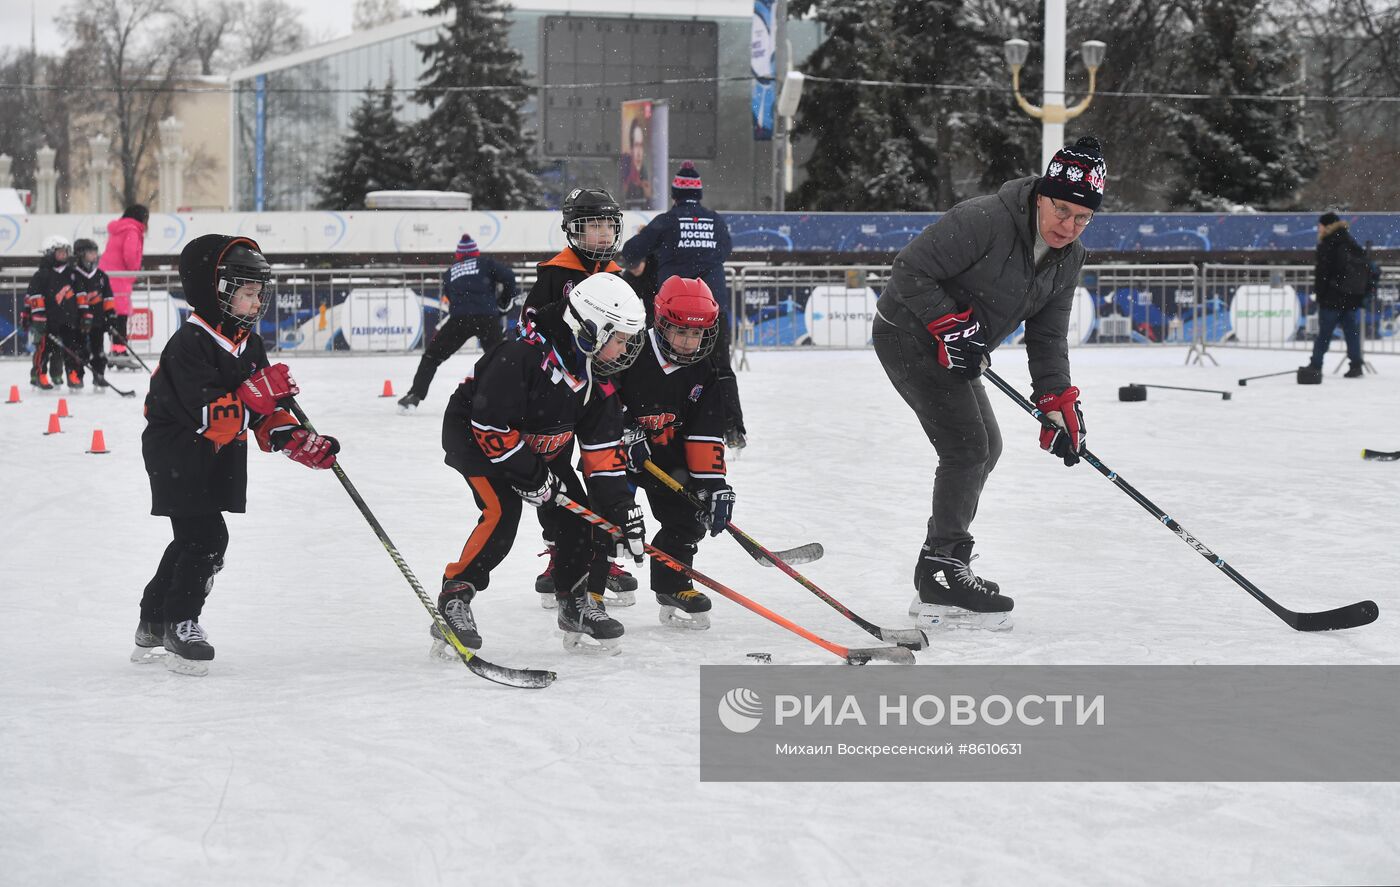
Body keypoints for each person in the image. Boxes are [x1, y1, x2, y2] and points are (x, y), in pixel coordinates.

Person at [872, 135, 1107, 632]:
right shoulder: (984, 220)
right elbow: (909, 271)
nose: (1069, 226)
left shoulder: (1070, 257)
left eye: (1082, 218)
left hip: (960, 348)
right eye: (1062, 210)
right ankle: (940, 568)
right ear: (1042, 194)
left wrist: (1055, 401)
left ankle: (942, 563)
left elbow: (1047, 336)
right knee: (966, 445)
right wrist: (949, 324)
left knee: (988, 445)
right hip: (906, 334)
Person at [134, 234, 340, 676]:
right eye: (247, 292)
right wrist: (254, 397)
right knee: (206, 540)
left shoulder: (250, 343)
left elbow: (265, 414)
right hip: (179, 451)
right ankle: (179, 622)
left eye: (259, 292)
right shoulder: (189, 343)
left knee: (191, 540)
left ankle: (153, 620)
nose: (256, 300)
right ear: (217, 294)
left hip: (220, 455)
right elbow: (214, 415)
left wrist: (298, 440)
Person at [433, 272, 647, 656]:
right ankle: (456, 595)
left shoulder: (596, 374)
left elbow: (601, 454)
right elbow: (490, 426)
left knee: (579, 515)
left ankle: (574, 602)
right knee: (503, 511)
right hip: (478, 440)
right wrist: (532, 478)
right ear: (591, 329)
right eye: (620, 339)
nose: (626, 350)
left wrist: (621, 509)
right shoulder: (521, 356)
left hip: (541, 448)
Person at [523, 187, 640, 604]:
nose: (602, 235)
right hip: (559, 395)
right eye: (592, 227)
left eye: (608, 226)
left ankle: (603, 554)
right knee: (555, 478)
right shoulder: (554, 274)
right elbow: (530, 327)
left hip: (603, 394)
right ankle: (560, 551)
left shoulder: (618, 276)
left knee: (606, 474)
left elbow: (629, 341)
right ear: (573, 230)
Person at [617, 276, 735, 630]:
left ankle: (673, 585)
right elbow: (600, 397)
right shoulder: (629, 350)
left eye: (697, 334)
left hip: (665, 456)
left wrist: (714, 483)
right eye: (680, 332)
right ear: (660, 323)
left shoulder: (704, 369)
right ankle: (589, 587)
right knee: (607, 516)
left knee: (688, 515)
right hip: (617, 453)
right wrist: (621, 430)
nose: (689, 343)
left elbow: (705, 430)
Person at [619, 162, 746, 448]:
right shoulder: (715, 221)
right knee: (720, 368)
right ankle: (733, 428)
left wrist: (656, 251)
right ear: (699, 195)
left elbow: (630, 252)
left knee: (662, 367)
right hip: (711, 310)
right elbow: (725, 250)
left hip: (673, 312)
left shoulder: (666, 221)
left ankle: (662, 420)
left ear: (674, 194)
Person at [398, 234, 518, 411]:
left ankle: (414, 395)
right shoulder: (485, 263)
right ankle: (513, 397)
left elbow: (450, 296)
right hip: (486, 318)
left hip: (460, 319)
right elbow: (509, 276)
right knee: (499, 360)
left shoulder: (450, 272)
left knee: (431, 357)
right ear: (475, 253)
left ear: (458, 255)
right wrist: (503, 302)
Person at [1304, 212, 1368, 379]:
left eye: (1320, 225)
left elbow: (1324, 272)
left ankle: (1315, 364)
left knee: (1324, 333)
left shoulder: (1329, 243)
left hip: (1332, 296)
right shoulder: (1350, 241)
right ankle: (1356, 365)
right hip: (1351, 295)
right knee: (1351, 332)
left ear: (1327, 226)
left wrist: (1321, 294)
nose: (1318, 228)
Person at [22, 235, 75, 390]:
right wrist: (33, 317)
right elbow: (32, 296)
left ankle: (56, 374)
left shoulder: (69, 273)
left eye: (65, 252)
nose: (63, 255)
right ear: (50, 254)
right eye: (59, 252)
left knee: (58, 348)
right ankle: (38, 374)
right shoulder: (42, 274)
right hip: (43, 320)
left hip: (61, 320)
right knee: (43, 348)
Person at [99, 204, 148, 369]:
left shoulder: (120, 228)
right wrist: (134, 271)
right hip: (119, 277)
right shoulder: (132, 230)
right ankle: (119, 353)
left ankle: (116, 351)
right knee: (120, 317)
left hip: (109, 275)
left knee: (113, 316)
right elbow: (130, 254)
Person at [71, 238, 116, 389]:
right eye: (90, 252)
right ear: (81, 254)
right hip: (79, 322)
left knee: (99, 351)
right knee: (80, 350)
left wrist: (110, 315)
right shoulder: (73, 275)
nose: (94, 255)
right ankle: (78, 376)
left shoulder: (101, 276)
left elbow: (108, 297)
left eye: (95, 252)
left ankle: (99, 375)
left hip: (97, 321)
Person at [620, 118, 652, 209]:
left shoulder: (644, 171)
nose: (639, 153)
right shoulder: (625, 169)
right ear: (631, 148)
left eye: (641, 146)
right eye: (636, 145)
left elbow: (649, 201)